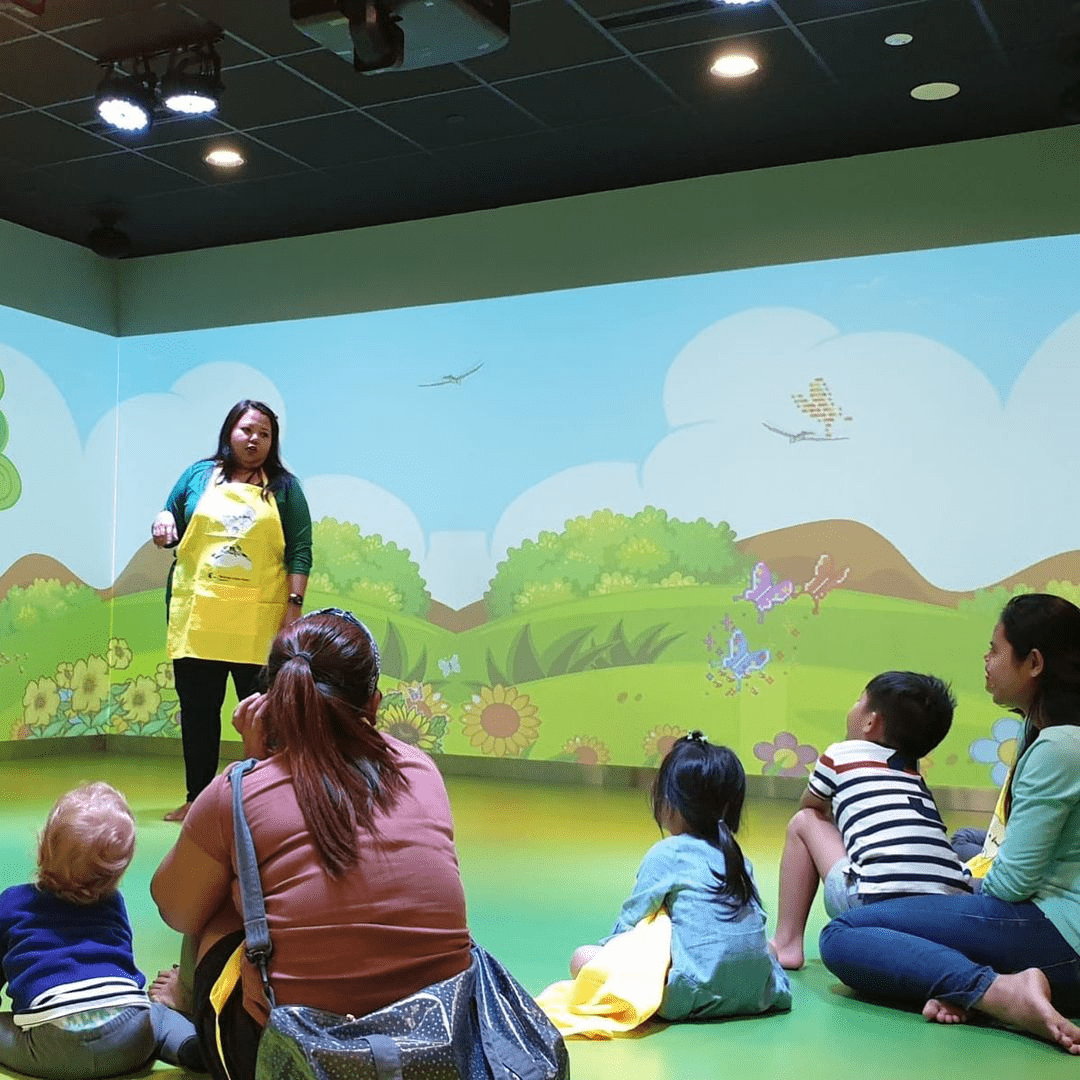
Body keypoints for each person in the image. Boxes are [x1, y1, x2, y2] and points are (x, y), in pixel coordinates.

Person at [150, 609, 473, 1080]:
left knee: (217, 888)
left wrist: (250, 766)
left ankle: (190, 1005)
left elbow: (176, 909)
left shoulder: (238, 790)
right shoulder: (420, 769)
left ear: (272, 703)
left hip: (294, 1054)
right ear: (374, 704)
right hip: (434, 1045)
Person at [819, 593, 1080, 1053]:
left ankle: (997, 991)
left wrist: (960, 887)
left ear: (1034, 663)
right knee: (965, 846)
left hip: (1059, 936)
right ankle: (977, 982)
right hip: (1052, 926)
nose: (986, 660)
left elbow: (1012, 885)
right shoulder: (1044, 728)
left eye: (995, 650)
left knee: (843, 934)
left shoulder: (1059, 747)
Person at [151, 399, 312, 822]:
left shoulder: (286, 488)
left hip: (258, 623)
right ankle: (197, 800)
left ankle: (270, 801)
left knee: (264, 717)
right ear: (229, 432)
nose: (254, 439)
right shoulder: (197, 476)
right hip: (200, 619)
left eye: (264, 433)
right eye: (247, 430)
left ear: (273, 441)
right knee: (198, 714)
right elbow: (169, 520)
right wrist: (162, 522)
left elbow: (300, 551)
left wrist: (293, 608)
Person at [569, 731, 791, 1021]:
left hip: (691, 994)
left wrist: (609, 954)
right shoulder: (738, 858)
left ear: (669, 803)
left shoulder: (667, 853)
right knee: (769, 949)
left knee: (581, 958)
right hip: (759, 993)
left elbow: (631, 921)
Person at [0, 782, 203, 1078]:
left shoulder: (12, 902)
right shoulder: (114, 903)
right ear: (114, 875)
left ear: (43, 848)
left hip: (52, 1045)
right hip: (129, 1032)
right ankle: (187, 1044)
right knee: (158, 1017)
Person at [770, 671, 970, 971]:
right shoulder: (913, 777)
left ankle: (786, 943)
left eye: (858, 701)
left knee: (803, 822)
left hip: (870, 904)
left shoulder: (840, 754)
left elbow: (812, 806)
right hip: (946, 916)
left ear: (870, 722)